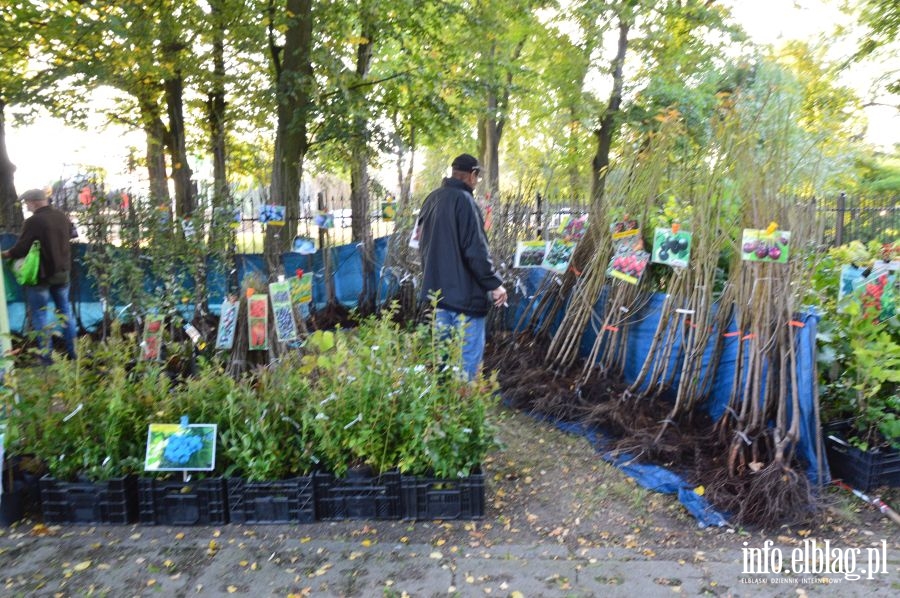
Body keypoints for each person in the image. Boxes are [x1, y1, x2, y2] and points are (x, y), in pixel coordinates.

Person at [417, 153, 507, 380]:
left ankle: (443, 410)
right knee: (466, 368)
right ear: (472, 175)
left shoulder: (431, 200)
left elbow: (419, 243)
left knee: (443, 364)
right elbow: (475, 251)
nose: (477, 182)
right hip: (465, 300)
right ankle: (464, 408)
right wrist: (494, 284)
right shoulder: (465, 202)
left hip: (439, 298)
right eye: (477, 177)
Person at [2, 188, 78, 364]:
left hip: (41, 276)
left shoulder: (33, 221)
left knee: (40, 315)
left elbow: (21, 249)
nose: (26, 206)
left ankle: (46, 357)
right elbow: (73, 235)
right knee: (66, 312)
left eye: (26, 202)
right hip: (62, 274)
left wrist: (5, 254)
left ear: (34, 201)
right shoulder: (62, 216)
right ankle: (74, 352)